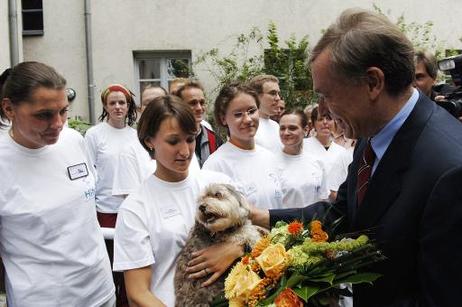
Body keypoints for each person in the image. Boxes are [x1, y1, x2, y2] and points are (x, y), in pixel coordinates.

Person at [250, 8, 462, 307]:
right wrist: (262, 218)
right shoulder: (371, 135)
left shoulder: (449, 170)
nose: (322, 111)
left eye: (327, 95)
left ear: (373, 83)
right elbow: (342, 214)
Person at [0, 62, 114, 306]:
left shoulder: (73, 141)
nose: (58, 124)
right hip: (44, 299)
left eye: (63, 111)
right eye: (44, 115)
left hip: (100, 291)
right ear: (9, 108)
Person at [113, 95, 233, 306]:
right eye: (173, 141)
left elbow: (255, 233)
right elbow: (138, 292)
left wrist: (234, 249)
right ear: (149, 140)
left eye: (190, 139)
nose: (185, 151)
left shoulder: (219, 185)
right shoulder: (135, 208)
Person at [203, 82, 283, 210]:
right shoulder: (216, 165)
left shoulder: (269, 157)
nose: (247, 119)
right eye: (238, 114)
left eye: (251, 111)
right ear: (223, 119)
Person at [85, 84, 138, 226]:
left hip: (133, 208)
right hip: (105, 208)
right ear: (105, 106)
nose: (117, 107)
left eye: (121, 102)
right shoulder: (94, 134)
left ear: (128, 105)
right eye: (112, 103)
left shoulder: (137, 136)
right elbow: (89, 172)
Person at [112, 85, 166, 198]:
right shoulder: (128, 151)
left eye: (158, 101)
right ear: (141, 109)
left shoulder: (184, 144)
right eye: (147, 103)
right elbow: (132, 201)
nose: (153, 107)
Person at [276, 109, 328, 208]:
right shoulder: (270, 163)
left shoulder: (317, 163)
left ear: (305, 130)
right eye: (282, 128)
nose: (286, 133)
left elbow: (323, 199)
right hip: (282, 222)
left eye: (292, 128)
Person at [175, 80, 222, 167]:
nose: (199, 108)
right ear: (179, 105)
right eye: (193, 103)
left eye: (202, 102)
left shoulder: (215, 139)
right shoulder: (172, 140)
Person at [304, 105, 348, 195]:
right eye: (320, 119)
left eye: (329, 119)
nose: (325, 122)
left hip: (335, 202)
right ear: (313, 124)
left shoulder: (342, 151)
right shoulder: (303, 146)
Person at [249, 74, 283, 150]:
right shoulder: (247, 127)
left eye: (278, 94)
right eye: (272, 93)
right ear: (256, 96)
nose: (278, 98)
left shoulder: (276, 126)